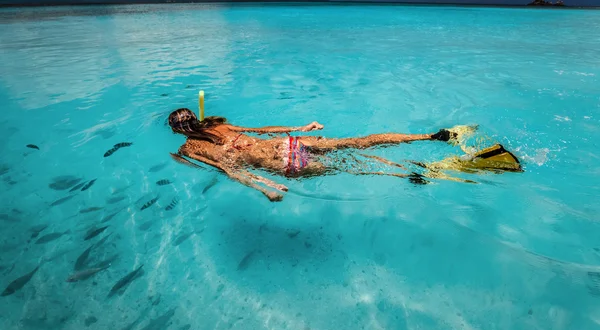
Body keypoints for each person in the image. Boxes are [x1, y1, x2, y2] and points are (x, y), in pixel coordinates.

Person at [167, 108, 521, 201]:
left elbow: (228, 167)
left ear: (175, 131)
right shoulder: (220, 126)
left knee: (355, 169)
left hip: (282, 161)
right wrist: (302, 129)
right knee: (360, 143)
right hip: (289, 144)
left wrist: (263, 187)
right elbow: (264, 132)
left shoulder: (190, 147)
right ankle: (435, 135)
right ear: (196, 119)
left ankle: (423, 172)